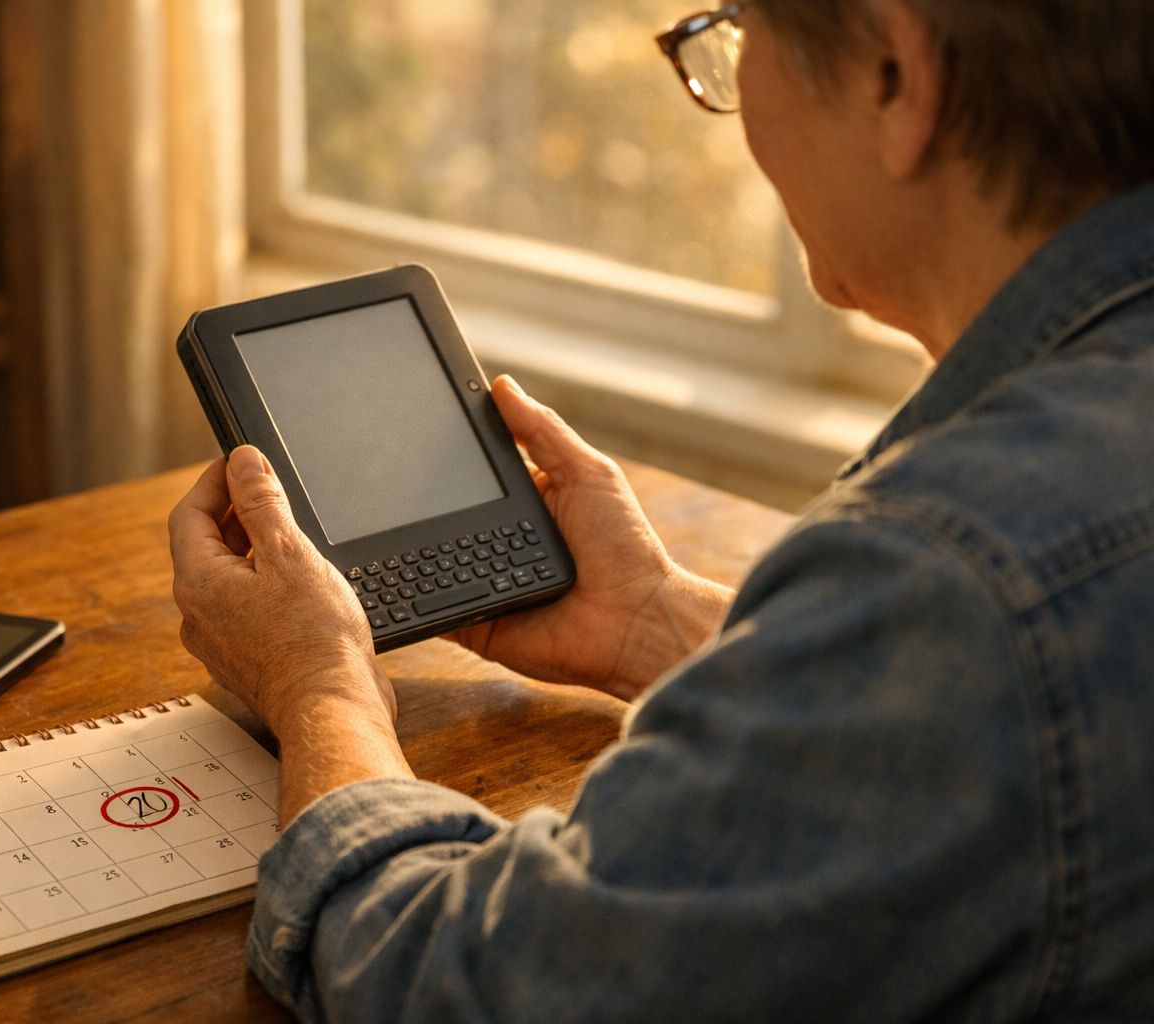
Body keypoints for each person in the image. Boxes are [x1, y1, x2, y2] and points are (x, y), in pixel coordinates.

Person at [168, 1, 1154, 1019]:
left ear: (896, 76)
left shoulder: (958, 576)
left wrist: (319, 689)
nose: (732, 101)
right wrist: (661, 622)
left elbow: (465, 985)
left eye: (737, 32)